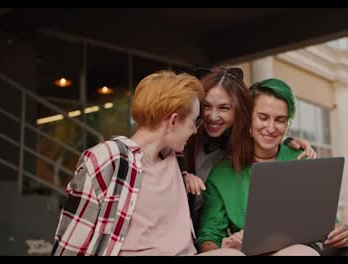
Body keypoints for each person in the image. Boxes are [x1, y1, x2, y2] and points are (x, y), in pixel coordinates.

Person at [51, 70, 244, 256]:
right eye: (194, 122)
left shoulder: (175, 160)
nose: (195, 131)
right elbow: (71, 241)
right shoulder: (110, 157)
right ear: (174, 121)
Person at [197, 78, 348, 256]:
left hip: (303, 251)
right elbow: (209, 236)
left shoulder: (301, 159)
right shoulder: (222, 173)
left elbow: (326, 224)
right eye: (263, 117)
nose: (271, 128)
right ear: (248, 118)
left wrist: (341, 232)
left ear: (288, 123)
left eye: (280, 120)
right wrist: (225, 247)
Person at [182, 66, 316, 233]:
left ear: (239, 111)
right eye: (206, 106)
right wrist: (183, 176)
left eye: (224, 108)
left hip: (198, 227)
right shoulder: (181, 138)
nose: (213, 116)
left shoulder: (237, 143)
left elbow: (266, 135)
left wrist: (287, 142)